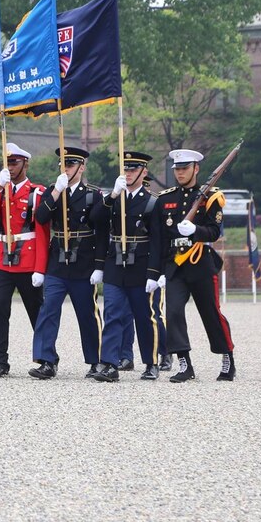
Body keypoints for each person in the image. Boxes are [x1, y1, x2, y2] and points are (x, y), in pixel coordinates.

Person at [30, 147, 109, 379]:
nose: (66, 169)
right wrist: (56, 191)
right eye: (63, 165)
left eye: (71, 165)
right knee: (48, 310)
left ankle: (96, 361)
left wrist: (99, 265)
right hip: (58, 260)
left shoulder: (93, 195)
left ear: (81, 167)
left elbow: (101, 232)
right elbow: (40, 218)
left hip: (84, 258)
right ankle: (46, 360)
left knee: (87, 313)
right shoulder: (53, 191)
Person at [159, 148, 236, 382]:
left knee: (211, 313)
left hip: (200, 263)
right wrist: (159, 271)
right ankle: (184, 363)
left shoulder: (210, 197)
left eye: (184, 169)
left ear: (196, 169)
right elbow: (161, 238)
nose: (180, 173)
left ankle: (227, 356)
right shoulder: (167, 198)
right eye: (177, 169)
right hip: (175, 266)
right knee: (171, 312)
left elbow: (214, 232)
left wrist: (196, 230)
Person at [93, 151, 165, 382]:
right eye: (125, 169)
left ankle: (151, 362)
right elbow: (95, 221)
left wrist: (156, 273)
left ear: (144, 172)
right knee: (112, 313)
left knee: (145, 316)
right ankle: (110, 364)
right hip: (116, 263)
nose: (128, 173)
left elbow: (158, 240)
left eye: (133, 169)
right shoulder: (114, 198)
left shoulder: (153, 202)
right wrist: (113, 195)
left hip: (141, 265)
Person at [0, 143, 48, 378]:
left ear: (25, 164)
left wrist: (40, 268)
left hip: (28, 259)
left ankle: (46, 359)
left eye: (14, 162)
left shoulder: (36, 192)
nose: (9, 167)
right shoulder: (0, 190)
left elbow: (41, 232)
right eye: (7, 162)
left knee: (36, 310)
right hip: (2, 259)